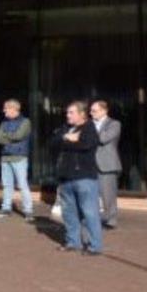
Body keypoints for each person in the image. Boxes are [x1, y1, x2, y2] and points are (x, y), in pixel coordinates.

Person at [50, 101, 103, 255]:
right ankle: (73, 242)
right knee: (69, 213)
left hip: (84, 177)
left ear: (82, 114)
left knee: (89, 213)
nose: (68, 115)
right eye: (67, 112)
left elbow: (86, 145)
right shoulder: (65, 128)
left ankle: (95, 246)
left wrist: (68, 141)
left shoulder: (89, 128)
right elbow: (52, 144)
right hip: (66, 177)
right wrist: (67, 137)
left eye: (71, 112)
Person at [0, 99, 33, 222]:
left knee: (22, 184)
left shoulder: (25, 121)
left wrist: (7, 136)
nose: (4, 111)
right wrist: (10, 137)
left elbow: (19, 136)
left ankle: (28, 210)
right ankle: (6, 208)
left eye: (6, 108)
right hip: (5, 157)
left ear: (13, 108)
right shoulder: (4, 122)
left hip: (19, 156)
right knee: (6, 185)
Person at [91, 100, 122, 230]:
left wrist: (89, 131)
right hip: (91, 164)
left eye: (94, 110)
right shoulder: (90, 124)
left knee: (108, 194)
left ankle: (111, 220)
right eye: (91, 110)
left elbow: (104, 138)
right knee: (92, 194)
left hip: (107, 164)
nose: (91, 113)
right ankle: (95, 219)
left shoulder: (114, 124)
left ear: (104, 111)